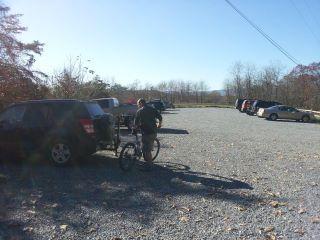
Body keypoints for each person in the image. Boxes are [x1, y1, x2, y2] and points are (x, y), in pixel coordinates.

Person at [133, 98, 162, 170]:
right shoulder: (152, 109)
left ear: (140, 103)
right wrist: (159, 124)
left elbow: (136, 123)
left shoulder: (139, 111)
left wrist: (134, 129)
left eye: (138, 104)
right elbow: (160, 117)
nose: (137, 105)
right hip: (154, 131)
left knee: (146, 150)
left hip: (146, 132)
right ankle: (148, 158)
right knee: (148, 146)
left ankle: (149, 166)